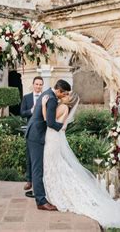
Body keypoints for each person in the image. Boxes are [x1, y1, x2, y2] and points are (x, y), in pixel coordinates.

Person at [42, 92, 120, 229]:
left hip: (53, 138)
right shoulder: (63, 106)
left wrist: (42, 106)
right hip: (55, 137)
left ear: (69, 99)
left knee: (55, 164)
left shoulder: (63, 107)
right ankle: (56, 189)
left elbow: (49, 120)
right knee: (57, 165)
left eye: (67, 94)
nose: (64, 95)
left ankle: (59, 191)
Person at [25, 79, 70, 211]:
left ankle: (42, 197)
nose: (64, 96)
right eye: (64, 93)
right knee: (37, 169)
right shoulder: (52, 99)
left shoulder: (47, 93)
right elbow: (50, 123)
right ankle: (41, 201)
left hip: (34, 132)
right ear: (59, 91)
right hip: (36, 135)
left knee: (38, 167)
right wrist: (61, 127)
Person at [20, 76, 44, 192]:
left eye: (40, 84)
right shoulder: (27, 97)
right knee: (29, 156)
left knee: (41, 157)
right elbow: (22, 113)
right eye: (37, 84)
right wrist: (31, 110)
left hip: (42, 130)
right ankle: (29, 181)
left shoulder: (45, 97)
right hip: (31, 130)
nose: (38, 86)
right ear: (33, 85)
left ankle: (41, 181)